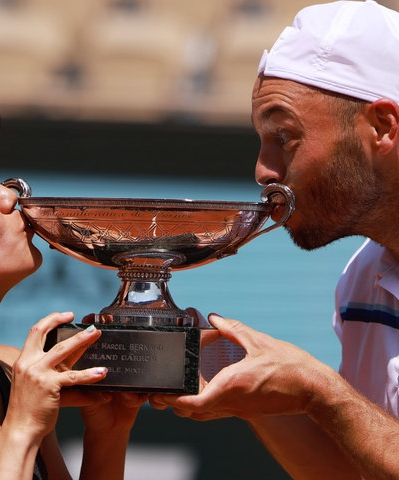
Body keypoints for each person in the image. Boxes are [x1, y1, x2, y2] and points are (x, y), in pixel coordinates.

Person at [150, 1, 399, 478]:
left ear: (382, 127)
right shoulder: (364, 277)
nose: (262, 171)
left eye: (284, 137)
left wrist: (319, 392)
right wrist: (247, 383)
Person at [0, 111, 145, 479]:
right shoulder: (21, 394)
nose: (12, 195)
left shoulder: (13, 377)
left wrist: (109, 433)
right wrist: (22, 426)